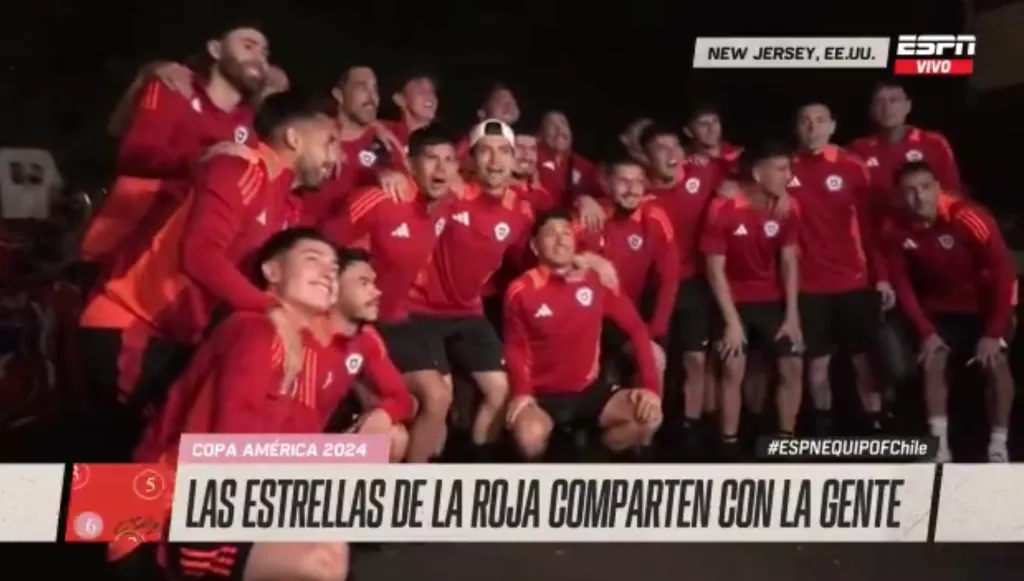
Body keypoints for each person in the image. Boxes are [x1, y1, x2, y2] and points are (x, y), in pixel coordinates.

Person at [119, 229, 411, 581]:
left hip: (241, 488)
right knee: (320, 563)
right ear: (272, 272)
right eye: (312, 260)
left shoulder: (303, 341)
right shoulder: (255, 331)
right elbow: (228, 443)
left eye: (334, 268)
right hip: (183, 503)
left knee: (332, 544)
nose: (327, 273)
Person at [77, 92, 338, 453]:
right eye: (329, 142)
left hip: (176, 339)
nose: (336, 158)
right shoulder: (242, 168)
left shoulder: (287, 204)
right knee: (138, 456)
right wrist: (272, 310)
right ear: (294, 138)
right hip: (131, 326)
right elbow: (200, 255)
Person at [321, 124, 460, 463]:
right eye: (431, 159)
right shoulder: (380, 199)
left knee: (439, 399)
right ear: (411, 165)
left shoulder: (443, 204)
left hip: (397, 319)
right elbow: (320, 250)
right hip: (357, 321)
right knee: (403, 409)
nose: (441, 169)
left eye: (448, 160)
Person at [81, 23, 271, 266]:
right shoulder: (173, 88)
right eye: (248, 46)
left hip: (178, 263)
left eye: (265, 53)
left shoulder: (246, 126)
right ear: (215, 49)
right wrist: (203, 159)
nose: (259, 58)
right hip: (126, 246)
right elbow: (134, 153)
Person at [403, 119, 534, 457]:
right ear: (471, 159)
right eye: (485, 152)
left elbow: (536, 255)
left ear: (515, 160)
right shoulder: (451, 192)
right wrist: (389, 176)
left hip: (469, 312)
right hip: (421, 310)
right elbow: (416, 173)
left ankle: (475, 466)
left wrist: (587, 260)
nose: (495, 160)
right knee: (440, 399)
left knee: (501, 391)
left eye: (504, 151)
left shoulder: (521, 210)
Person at [882, 161, 1016, 462]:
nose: (919, 197)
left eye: (925, 188)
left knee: (996, 365)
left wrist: (994, 332)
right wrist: (926, 333)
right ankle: (938, 446)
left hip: (984, 309)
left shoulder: (968, 216)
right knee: (933, 361)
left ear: (938, 189)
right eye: (910, 191)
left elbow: (1003, 274)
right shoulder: (894, 228)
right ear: (901, 196)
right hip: (940, 310)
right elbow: (902, 285)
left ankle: (998, 445)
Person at [503, 209, 663, 459]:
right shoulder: (521, 290)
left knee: (648, 419)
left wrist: (651, 388)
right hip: (542, 393)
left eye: (566, 233)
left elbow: (637, 330)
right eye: (550, 234)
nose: (560, 239)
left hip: (588, 390)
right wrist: (523, 393)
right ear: (535, 246)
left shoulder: (595, 280)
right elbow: (515, 347)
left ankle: (596, 461)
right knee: (528, 437)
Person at [788, 102, 893, 435]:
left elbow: (870, 229)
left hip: (853, 280)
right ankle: (823, 420)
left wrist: (883, 278)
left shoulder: (853, 166)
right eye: (804, 121)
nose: (812, 127)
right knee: (816, 362)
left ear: (832, 126)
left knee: (863, 358)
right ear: (797, 128)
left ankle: (874, 420)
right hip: (808, 284)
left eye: (820, 120)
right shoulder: (785, 168)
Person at [702, 142, 803, 456]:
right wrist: (732, 323)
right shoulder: (724, 207)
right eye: (782, 169)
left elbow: (788, 262)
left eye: (789, 168)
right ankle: (728, 445)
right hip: (733, 299)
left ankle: (785, 442)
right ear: (759, 173)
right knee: (734, 366)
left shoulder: (789, 207)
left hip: (771, 298)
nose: (790, 176)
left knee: (793, 367)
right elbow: (714, 270)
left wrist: (792, 316)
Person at [641, 123, 723, 448]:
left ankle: (691, 427)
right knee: (655, 360)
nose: (671, 154)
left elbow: (746, 178)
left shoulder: (702, 177)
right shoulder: (639, 191)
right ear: (645, 156)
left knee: (696, 359)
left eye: (675, 146)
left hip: (694, 284)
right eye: (661, 148)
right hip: (653, 287)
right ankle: (649, 431)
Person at [574, 155, 678, 358]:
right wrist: (588, 258)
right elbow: (552, 257)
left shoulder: (654, 217)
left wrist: (656, 328)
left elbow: (669, 278)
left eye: (638, 182)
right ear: (606, 183)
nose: (632, 189)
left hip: (629, 315)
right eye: (623, 182)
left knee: (654, 358)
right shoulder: (591, 215)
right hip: (585, 316)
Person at [300, 65, 407, 224]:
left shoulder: (385, 144)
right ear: (339, 95)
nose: (372, 96)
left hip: (355, 245)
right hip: (304, 239)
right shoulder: (312, 134)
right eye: (362, 87)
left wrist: (393, 178)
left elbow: (406, 186)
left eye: (375, 89)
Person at [849, 81, 962, 208]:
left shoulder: (934, 143)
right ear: (872, 110)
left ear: (908, 106)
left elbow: (952, 192)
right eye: (880, 102)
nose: (887, 108)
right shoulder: (858, 149)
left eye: (894, 100)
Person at [537, 110, 598, 207]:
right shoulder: (532, 159)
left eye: (563, 124)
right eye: (551, 125)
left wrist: (586, 199)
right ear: (540, 135)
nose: (559, 129)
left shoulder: (585, 167)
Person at [683, 104, 743, 176]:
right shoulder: (684, 161)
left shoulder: (738, 156)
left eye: (715, 121)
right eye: (704, 124)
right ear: (688, 131)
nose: (712, 129)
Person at [386, 69, 439, 147]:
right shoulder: (385, 134)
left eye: (432, 90)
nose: (430, 95)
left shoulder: (455, 142)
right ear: (400, 99)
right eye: (420, 90)